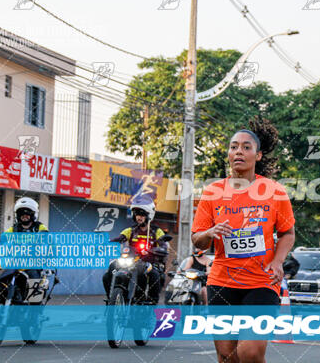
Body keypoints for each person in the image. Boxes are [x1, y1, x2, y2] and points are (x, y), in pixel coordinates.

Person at [191, 118, 295, 363]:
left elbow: (287, 233)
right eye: (234, 146)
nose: (239, 151)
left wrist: (278, 262)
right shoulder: (213, 191)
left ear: (258, 155)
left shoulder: (274, 191)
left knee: (249, 352)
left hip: (262, 281)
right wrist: (210, 233)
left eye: (246, 147)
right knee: (226, 356)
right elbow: (198, 240)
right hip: (222, 280)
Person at [102, 201, 166, 304]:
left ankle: (151, 303)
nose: (139, 217)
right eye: (136, 214)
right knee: (108, 272)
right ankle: (112, 298)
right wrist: (105, 244)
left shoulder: (157, 231)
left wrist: (158, 250)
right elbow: (120, 238)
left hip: (149, 262)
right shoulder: (130, 230)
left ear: (149, 215)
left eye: (142, 214)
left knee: (155, 275)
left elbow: (163, 245)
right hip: (130, 261)